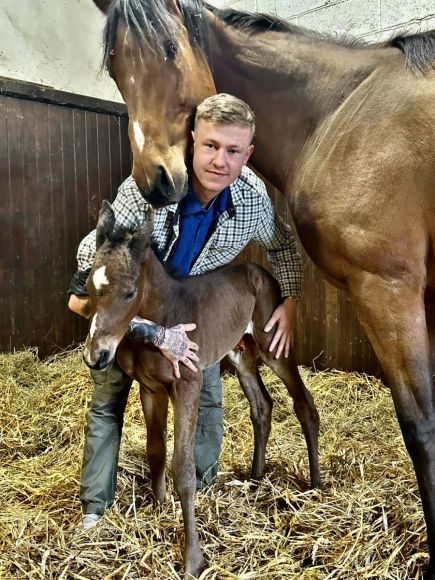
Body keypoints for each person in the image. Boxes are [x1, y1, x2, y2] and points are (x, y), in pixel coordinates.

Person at [68, 93, 302, 529]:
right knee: (109, 400)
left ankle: (200, 486)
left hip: (190, 309)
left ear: (247, 154)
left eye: (234, 151)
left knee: (205, 390)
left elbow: (284, 245)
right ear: (193, 141)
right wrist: (137, 322)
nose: (220, 161)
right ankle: (95, 509)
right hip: (129, 306)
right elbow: (94, 252)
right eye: (211, 145)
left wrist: (290, 299)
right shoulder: (152, 187)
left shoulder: (252, 198)